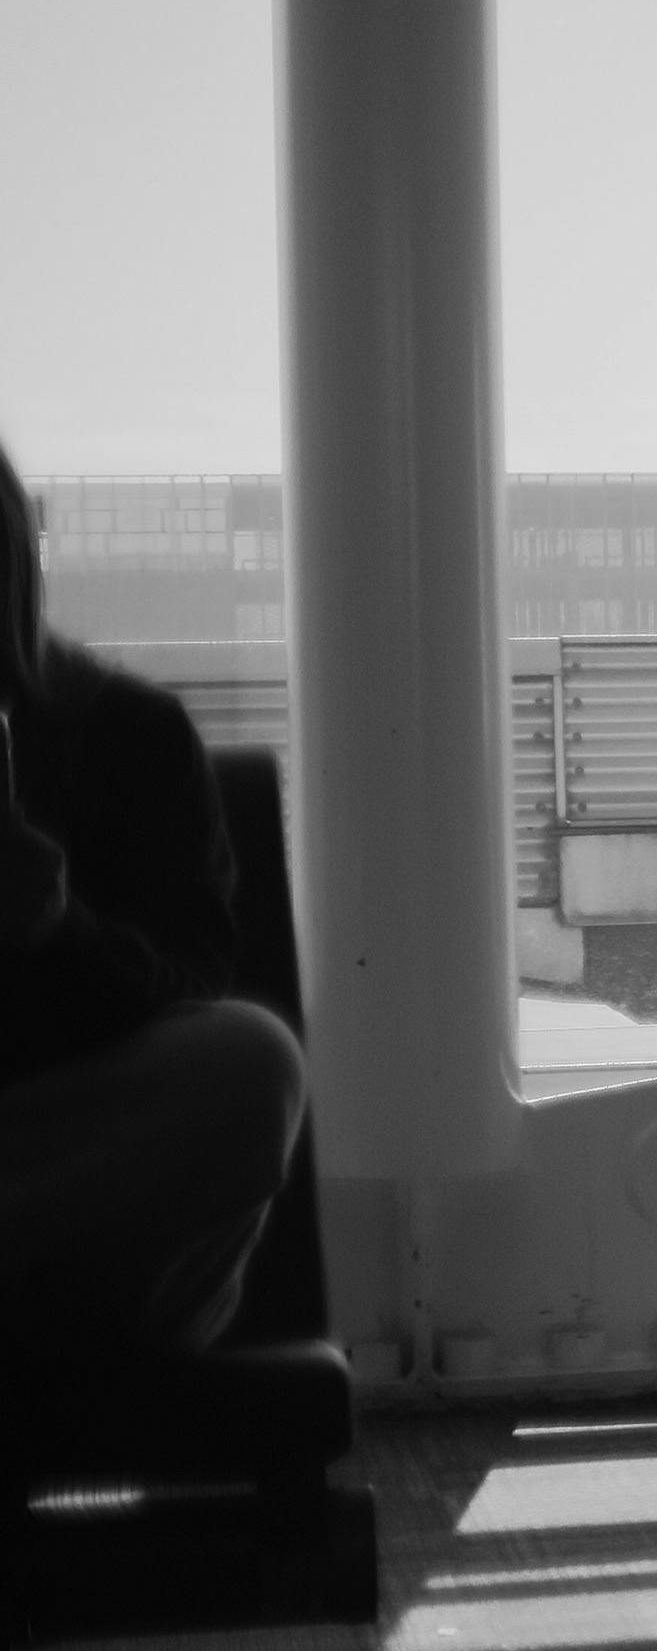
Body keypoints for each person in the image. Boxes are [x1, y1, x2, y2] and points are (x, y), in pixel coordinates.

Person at [0, 439, 307, 1363]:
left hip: (95, 1207)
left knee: (248, 1059)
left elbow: (193, 986)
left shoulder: (129, 736)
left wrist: (55, 932)